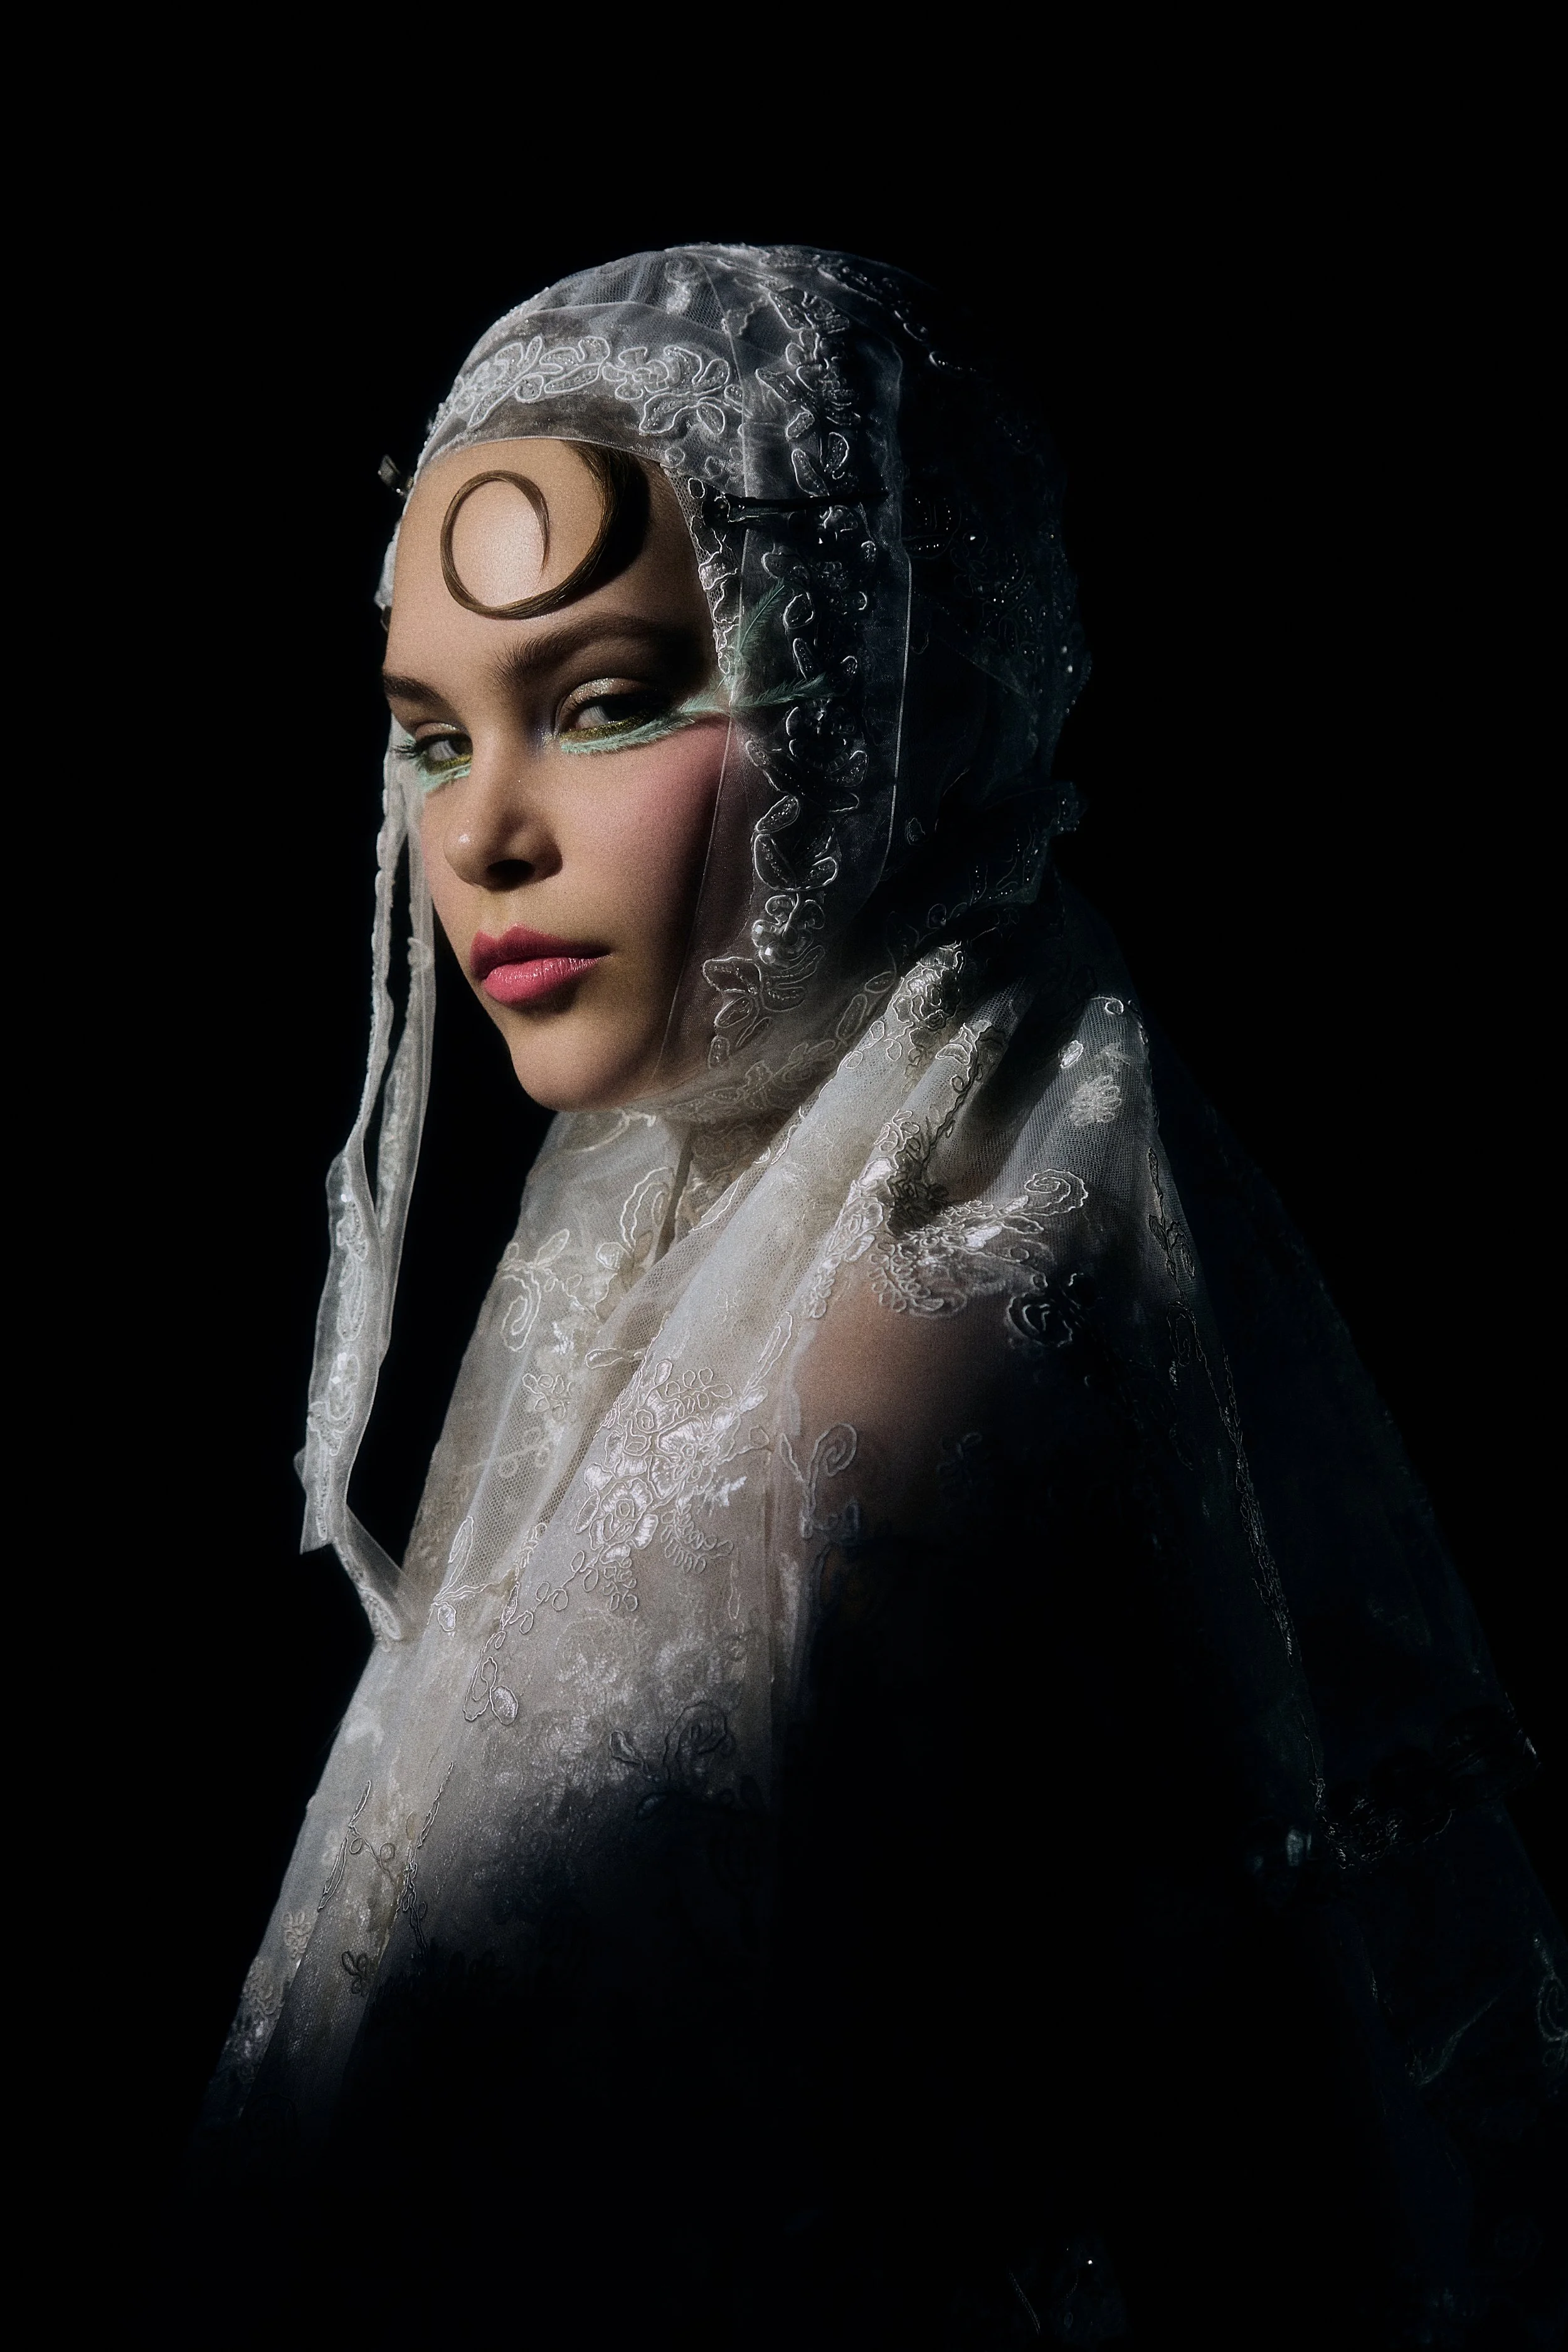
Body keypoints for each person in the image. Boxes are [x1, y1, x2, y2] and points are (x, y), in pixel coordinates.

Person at [178, 246, 1564, 2347]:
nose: (484, 836)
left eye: (612, 698)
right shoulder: (681, 1199)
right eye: (426, 737)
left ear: (868, 684)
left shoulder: (917, 1350)